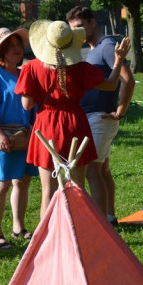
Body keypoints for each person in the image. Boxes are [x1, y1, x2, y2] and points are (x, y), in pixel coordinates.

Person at [16, 20, 130, 219]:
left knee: (48, 191)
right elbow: (111, 85)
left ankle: (48, 241)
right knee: (78, 188)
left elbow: (26, 105)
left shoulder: (31, 68)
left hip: (46, 127)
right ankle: (89, 235)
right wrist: (118, 60)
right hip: (75, 125)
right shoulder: (81, 68)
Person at [67, 6, 136, 226]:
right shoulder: (91, 48)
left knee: (91, 171)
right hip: (94, 118)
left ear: (92, 23)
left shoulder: (106, 47)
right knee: (103, 169)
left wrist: (121, 110)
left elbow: (128, 79)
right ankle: (109, 217)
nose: (76, 32)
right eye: (72, 29)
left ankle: (99, 224)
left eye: (79, 27)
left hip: (99, 118)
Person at [0, 27, 36, 249]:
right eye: (10, 46)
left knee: (22, 180)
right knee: (1, 184)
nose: (17, 49)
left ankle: (18, 228)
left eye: (19, 44)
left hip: (24, 134)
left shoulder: (22, 73)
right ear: (0, 50)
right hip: (1, 135)